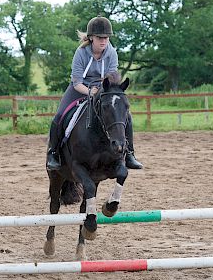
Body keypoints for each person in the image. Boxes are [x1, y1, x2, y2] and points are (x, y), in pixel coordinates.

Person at [46, 16, 143, 171]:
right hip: (79, 88)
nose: (103, 41)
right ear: (91, 38)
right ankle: (53, 153)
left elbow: (112, 78)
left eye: (106, 37)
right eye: (100, 38)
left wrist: (105, 91)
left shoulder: (111, 53)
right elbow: (77, 82)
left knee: (126, 116)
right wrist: (90, 91)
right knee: (59, 116)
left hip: (102, 88)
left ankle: (129, 153)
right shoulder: (81, 52)